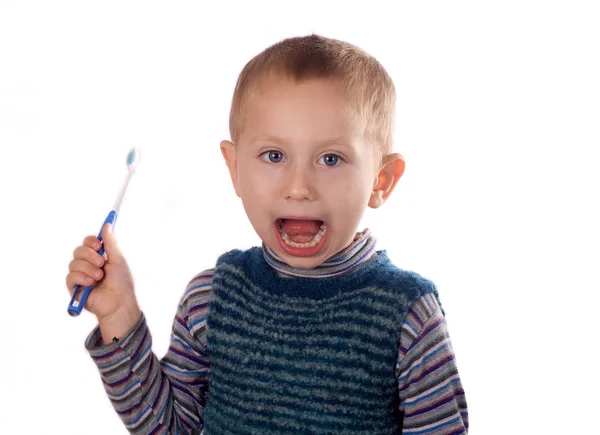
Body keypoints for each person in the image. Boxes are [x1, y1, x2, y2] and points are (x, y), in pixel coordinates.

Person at [66, 34, 468, 435]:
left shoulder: (408, 316)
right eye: (274, 156)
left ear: (381, 180)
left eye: (331, 159)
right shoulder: (212, 298)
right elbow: (170, 429)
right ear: (235, 167)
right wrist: (119, 314)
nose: (298, 186)